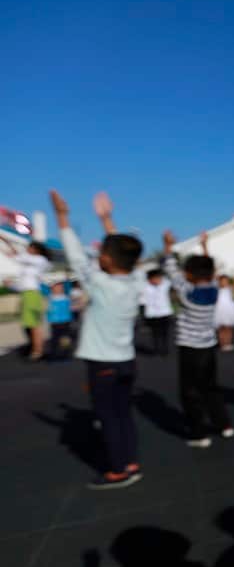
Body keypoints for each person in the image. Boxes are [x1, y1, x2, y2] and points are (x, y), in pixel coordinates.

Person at [50, 189, 145, 489]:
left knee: (108, 418)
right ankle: (129, 461)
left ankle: (119, 470)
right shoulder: (135, 280)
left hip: (103, 365)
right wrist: (107, 220)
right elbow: (121, 253)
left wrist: (62, 217)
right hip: (126, 362)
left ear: (104, 258)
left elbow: (76, 254)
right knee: (122, 414)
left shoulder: (101, 282)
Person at [163, 230, 234, 446]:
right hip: (208, 346)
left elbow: (170, 269)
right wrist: (205, 246)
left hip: (190, 348)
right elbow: (209, 271)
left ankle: (199, 433)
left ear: (190, 274)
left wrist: (168, 247)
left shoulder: (187, 292)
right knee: (212, 387)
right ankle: (224, 425)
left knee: (190, 391)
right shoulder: (214, 290)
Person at [0, 234, 51, 360]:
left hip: (33, 295)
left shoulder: (40, 260)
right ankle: (34, 348)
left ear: (36, 250)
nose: (27, 249)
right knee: (27, 324)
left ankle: (38, 351)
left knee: (34, 324)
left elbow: (18, 256)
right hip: (26, 294)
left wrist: (6, 240)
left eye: (30, 248)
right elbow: (16, 257)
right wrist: (11, 285)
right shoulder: (28, 265)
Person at [140, 268, 174, 356]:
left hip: (165, 313)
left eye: (159, 278)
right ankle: (156, 348)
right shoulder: (145, 287)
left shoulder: (165, 284)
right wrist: (143, 317)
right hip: (152, 314)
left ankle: (165, 349)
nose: (158, 280)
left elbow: (172, 275)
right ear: (150, 279)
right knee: (155, 333)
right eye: (155, 278)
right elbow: (142, 302)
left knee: (165, 333)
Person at [214, 275, 234, 351]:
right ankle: (222, 343)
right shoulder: (217, 288)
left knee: (228, 328)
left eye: (226, 281)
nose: (224, 282)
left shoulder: (229, 288)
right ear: (219, 281)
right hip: (219, 310)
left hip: (229, 309)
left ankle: (228, 343)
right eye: (222, 281)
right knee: (221, 329)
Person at [45, 281, 74, 360]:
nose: (58, 289)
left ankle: (66, 353)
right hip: (55, 322)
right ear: (51, 289)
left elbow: (68, 285)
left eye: (60, 287)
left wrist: (66, 278)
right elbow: (42, 288)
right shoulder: (50, 297)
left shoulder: (66, 296)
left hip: (66, 321)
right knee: (55, 339)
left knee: (65, 338)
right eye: (56, 287)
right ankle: (54, 354)